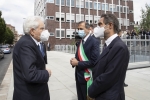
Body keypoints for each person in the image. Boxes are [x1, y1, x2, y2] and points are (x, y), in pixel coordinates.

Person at [88, 14, 129, 100]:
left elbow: (108, 77)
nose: (97, 28)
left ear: (110, 25)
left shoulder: (119, 47)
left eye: (100, 24)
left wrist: (91, 91)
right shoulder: (108, 45)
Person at [13, 16, 51, 100]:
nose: (45, 31)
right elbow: (31, 75)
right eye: (42, 28)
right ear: (32, 31)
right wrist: (46, 73)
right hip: (31, 95)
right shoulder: (26, 45)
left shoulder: (31, 42)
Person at [70, 21, 100, 100]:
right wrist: (73, 61)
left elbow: (94, 62)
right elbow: (78, 57)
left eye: (81, 29)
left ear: (88, 29)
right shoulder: (80, 41)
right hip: (78, 77)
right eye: (78, 29)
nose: (79, 31)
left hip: (88, 77)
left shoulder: (94, 42)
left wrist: (78, 63)